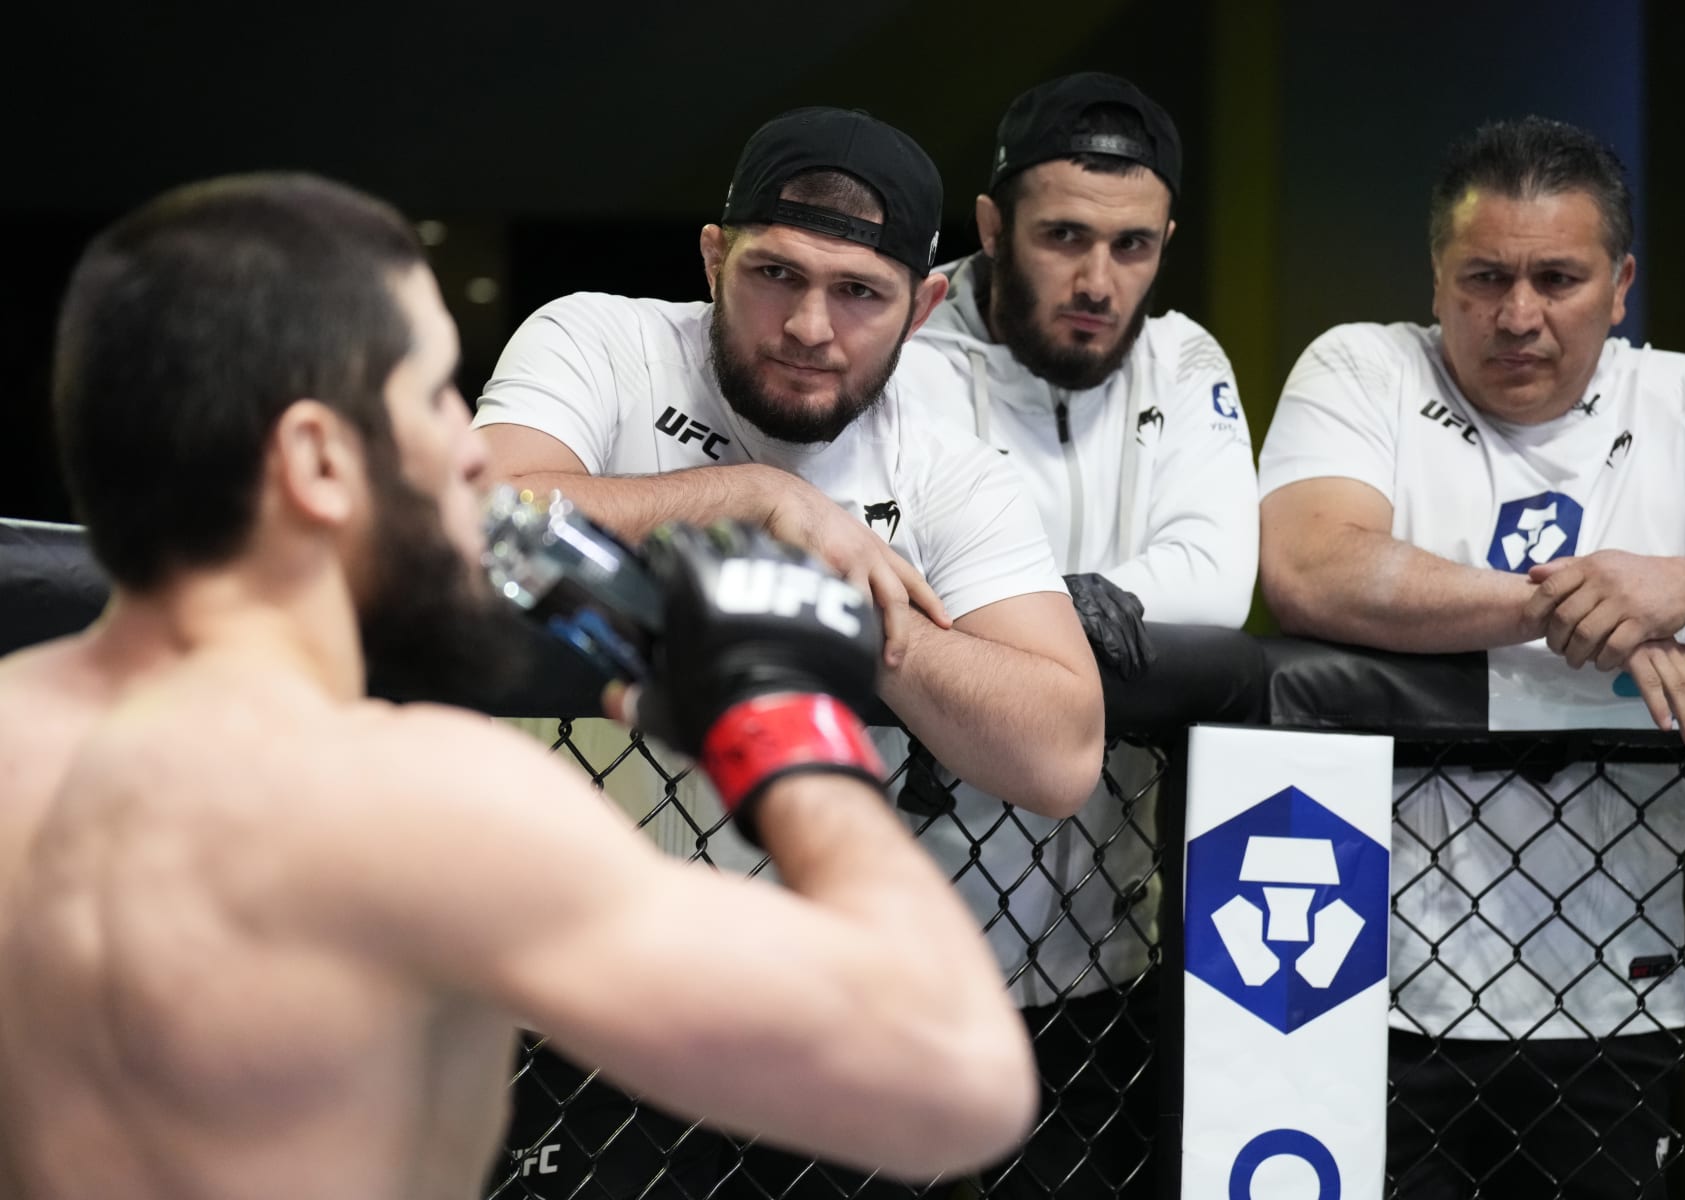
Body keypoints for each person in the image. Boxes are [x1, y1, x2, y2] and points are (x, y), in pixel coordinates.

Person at [0, 173, 1039, 1200]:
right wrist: (781, 726)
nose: (471, 451)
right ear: (318, 460)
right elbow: (960, 1079)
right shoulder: (420, 806)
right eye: (435, 391)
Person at [1258, 116, 1685, 1198]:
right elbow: (1311, 567)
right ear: (1436, 277)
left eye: (1557, 278)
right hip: (1355, 978)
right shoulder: (1362, 366)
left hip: (1615, 983)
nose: (1518, 315)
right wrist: (1581, 607)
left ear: (1621, 283)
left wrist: (1680, 585)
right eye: (1484, 278)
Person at [474, 106, 1105, 823]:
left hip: (796, 924)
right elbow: (472, 521)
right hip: (556, 905)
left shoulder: (948, 470)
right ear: (715, 261)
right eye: (776, 272)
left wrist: (833, 612)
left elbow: (1063, 759)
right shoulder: (603, 344)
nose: (810, 327)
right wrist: (758, 498)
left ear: (922, 309)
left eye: (859, 292)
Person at [909, 72, 1256, 1198]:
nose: (1101, 282)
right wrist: (1070, 606)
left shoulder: (1185, 358)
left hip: (1098, 963)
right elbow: (884, 583)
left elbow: (1216, 582)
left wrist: (1008, 607)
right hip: (895, 944)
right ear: (993, 226)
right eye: (1064, 238)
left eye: (1134, 246)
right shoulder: (898, 345)